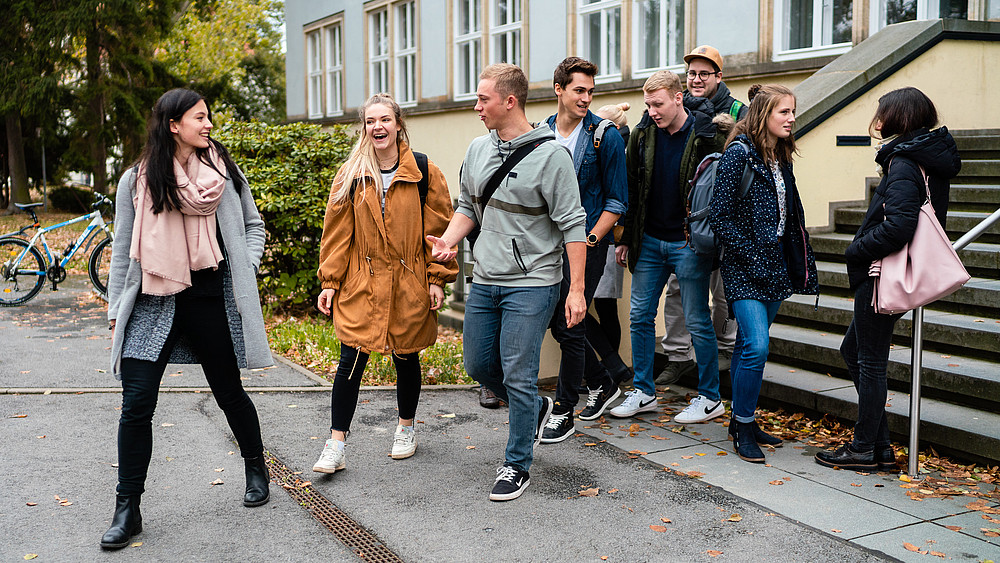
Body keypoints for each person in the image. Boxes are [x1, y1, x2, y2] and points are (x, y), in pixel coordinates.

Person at [102, 88, 273, 549]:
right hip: (152, 298)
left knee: (229, 393)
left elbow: (254, 226)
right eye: (200, 117)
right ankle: (127, 507)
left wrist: (246, 265)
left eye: (208, 117)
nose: (209, 124)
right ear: (173, 124)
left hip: (209, 297)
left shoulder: (224, 174)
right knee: (136, 404)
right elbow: (122, 251)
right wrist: (117, 307)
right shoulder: (137, 179)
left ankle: (256, 467)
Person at [427, 63, 587, 501]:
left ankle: (517, 464)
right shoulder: (478, 148)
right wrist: (448, 241)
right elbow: (469, 206)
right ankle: (534, 410)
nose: (477, 106)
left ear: (509, 101)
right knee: (478, 365)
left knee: (519, 370)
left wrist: (575, 290)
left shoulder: (552, 156)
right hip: (487, 277)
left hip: (533, 281)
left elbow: (574, 225)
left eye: (483, 99)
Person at [815, 88, 960, 471]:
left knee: (870, 361)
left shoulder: (904, 163)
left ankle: (864, 448)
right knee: (855, 352)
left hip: (883, 274)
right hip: (892, 272)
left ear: (899, 117)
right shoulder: (923, 157)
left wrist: (855, 249)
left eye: (882, 112)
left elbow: (898, 227)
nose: (876, 120)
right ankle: (878, 445)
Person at [313, 93, 458, 473]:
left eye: (384, 120)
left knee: (405, 356)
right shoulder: (351, 174)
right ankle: (335, 444)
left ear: (398, 124)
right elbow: (336, 234)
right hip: (362, 282)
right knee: (350, 359)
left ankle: (406, 428)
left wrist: (438, 279)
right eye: (370, 121)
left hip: (409, 283)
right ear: (365, 128)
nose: (377, 127)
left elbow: (439, 232)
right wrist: (330, 282)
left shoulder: (426, 172)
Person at [609, 70, 727, 423]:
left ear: (678, 98)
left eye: (658, 104)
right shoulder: (644, 133)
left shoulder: (705, 133)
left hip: (689, 243)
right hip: (649, 240)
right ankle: (644, 392)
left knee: (696, 319)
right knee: (640, 316)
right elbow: (631, 185)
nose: (652, 111)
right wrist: (627, 236)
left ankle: (710, 398)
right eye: (648, 104)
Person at [709, 84, 819, 463]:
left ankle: (744, 420)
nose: (791, 118)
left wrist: (795, 255)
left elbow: (789, 215)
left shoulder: (781, 156)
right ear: (763, 115)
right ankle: (741, 426)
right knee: (756, 345)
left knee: (746, 346)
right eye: (783, 112)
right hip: (744, 266)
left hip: (776, 266)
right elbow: (719, 217)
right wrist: (752, 253)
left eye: (792, 111)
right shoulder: (738, 155)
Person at [539, 57, 628, 444]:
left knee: (569, 322)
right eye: (579, 90)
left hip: (589, 245)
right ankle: (604, 380)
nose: (585, 98)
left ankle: (564, 408)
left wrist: (590, 239)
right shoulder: (540, 133)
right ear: (559, 89)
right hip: (544, 245)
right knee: (554, 319)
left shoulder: (604, 136)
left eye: (590, 92)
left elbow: (616, 201)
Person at [658, 45, 747, 385]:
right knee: (679, 286)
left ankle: (725, 350)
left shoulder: (739, 109)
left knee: (725, 290)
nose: (695, 79)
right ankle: (679, 355)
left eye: (703, 74)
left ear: (718, 77)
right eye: (691, 73)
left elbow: (750, 157)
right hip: (689, 216)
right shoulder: (681, 107)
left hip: (728, 214)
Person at [588, 102, 631, 383]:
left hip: (607, 238)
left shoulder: (618, 152)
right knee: (597, 307)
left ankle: (610, 368)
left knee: (602, 308)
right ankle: (611, 367)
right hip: (599, 237)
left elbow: (625, 199)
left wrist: (623, 239)